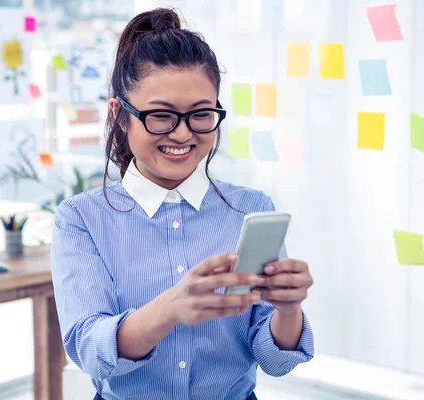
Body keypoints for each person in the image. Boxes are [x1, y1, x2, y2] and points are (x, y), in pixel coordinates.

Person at [51, 8, 314, 400]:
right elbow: (90, 351)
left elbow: (276, 361)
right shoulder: (81, 219)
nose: (182, 133)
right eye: (160, 115)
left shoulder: (251, 208)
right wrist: (171, 308)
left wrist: (289, 310)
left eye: (200, 115)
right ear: (120, 115)